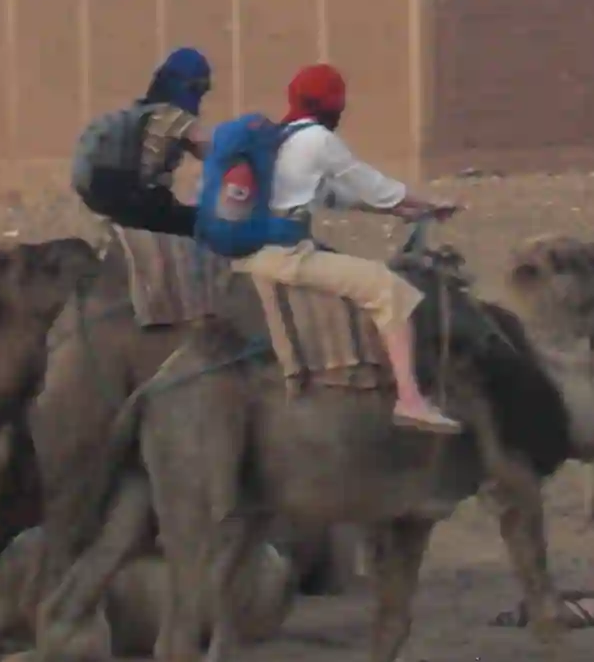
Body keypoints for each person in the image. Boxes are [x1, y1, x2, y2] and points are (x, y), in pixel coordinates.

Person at [238, 62, 462, 435]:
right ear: (332, 104)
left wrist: (412, 210)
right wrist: (427, 203)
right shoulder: (318, 140)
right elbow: (375, 187)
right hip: (284, 257)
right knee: (388, 289)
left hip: (254, 251)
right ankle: (410, 399)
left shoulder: (283, 139)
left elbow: (338, 196)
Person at [79, 46, 215, 237]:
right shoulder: (174, 116)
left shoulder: (140, 114)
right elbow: (212, 149)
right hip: (138, 200)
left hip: (100, 197)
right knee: (202, 223)